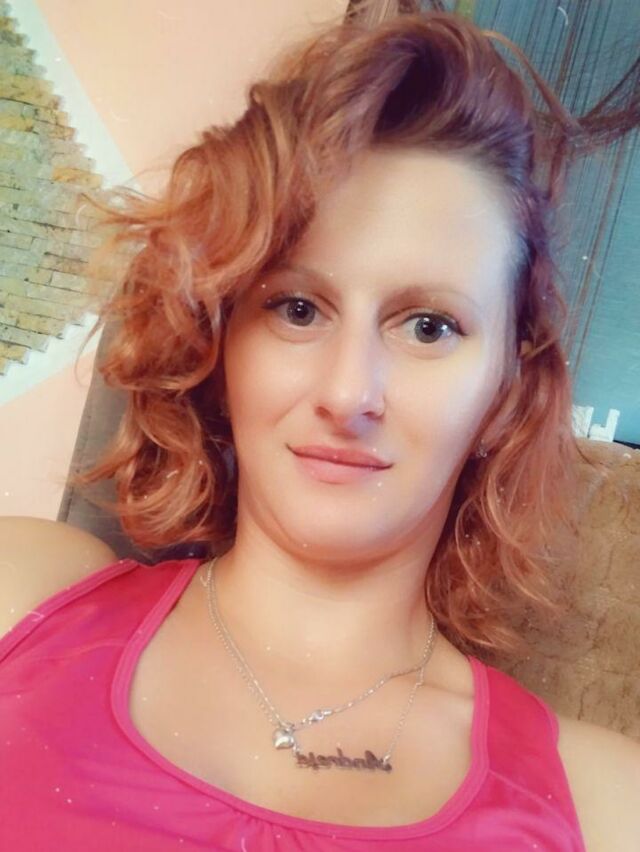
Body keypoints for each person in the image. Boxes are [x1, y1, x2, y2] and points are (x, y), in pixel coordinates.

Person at [2, 4, 639, 850]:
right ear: (221, 345)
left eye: (429, 326)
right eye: (298, 308)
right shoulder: (21, 596)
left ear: (506, 390)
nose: (349, 393)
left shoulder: (608, 804)